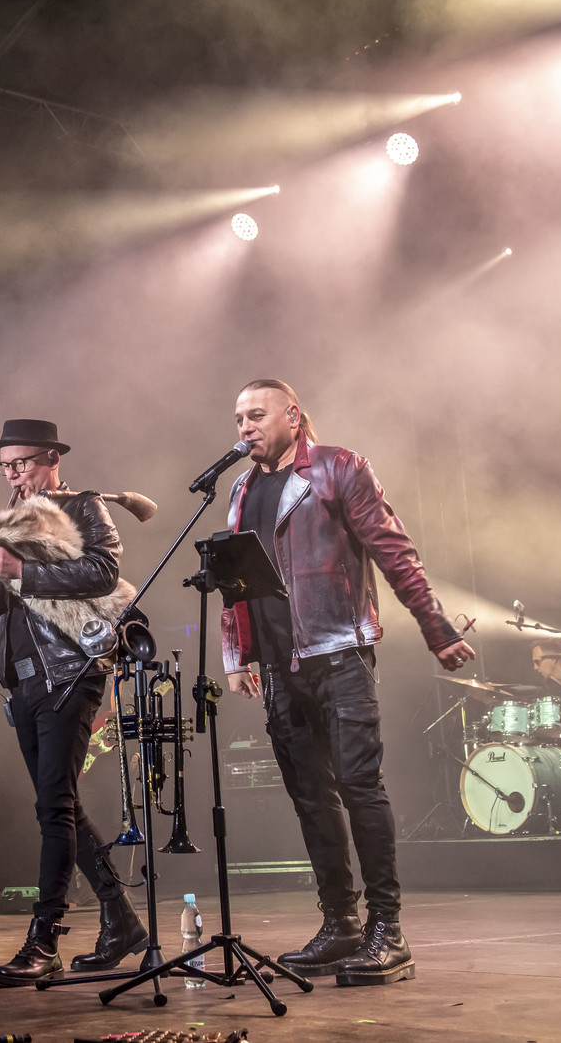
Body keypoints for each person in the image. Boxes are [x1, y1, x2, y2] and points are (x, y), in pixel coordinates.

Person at [221, 379, 475, 986]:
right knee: (311, 796)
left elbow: (394, 551)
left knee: (360, 786)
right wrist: (236, 654)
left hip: (338, 654)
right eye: (238, 419)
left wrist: (436, 628)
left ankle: (389, 930)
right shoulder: (240, 488)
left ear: (293, 416)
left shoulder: (338, 468)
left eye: (256, 415)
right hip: (280, 666)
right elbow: (235, 578)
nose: (245, 427)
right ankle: (340, 925)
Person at [0, 419, 148, 987]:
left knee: (55, 808)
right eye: (6, 465)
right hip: (22, 680)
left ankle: (44, 939)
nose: (13, 475)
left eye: (22, 463)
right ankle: (120, 920)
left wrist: (21, 569)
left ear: (52, 459)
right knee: (57, 804)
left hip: (70, 673)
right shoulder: (5, 522)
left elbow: (103, 571)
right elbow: (1, 610)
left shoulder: (82, 507)